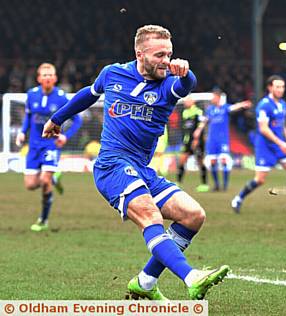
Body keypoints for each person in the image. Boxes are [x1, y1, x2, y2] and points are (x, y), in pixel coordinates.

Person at [42, 25, 229, 300]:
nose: (166, 60)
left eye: (170, 54)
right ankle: (192, 277)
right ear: (139, 54)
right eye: (159, 55)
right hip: (112, 165)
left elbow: (187, 85)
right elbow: (89, 93)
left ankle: (145, 282)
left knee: (193, 215)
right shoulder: (113, 73)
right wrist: (57, 118)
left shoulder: (167, 84)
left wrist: (186, 72)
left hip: (142, 169)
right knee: (150, 215)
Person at [15, 63, 82, 232]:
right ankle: (54, 178)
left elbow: (77, 120)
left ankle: (43, 220)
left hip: (51, 145)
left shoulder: (61, 97)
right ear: (38, 78)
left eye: (50, 75)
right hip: (34, 146)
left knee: (44, 182)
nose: (47, 78)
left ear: (55, 78)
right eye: (44, 75)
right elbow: (29, 116)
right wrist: (23, 132)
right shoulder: (31, 95)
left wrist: (65, 136)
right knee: (30, 185)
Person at [231, 75, 286, 213]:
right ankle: (238, 199)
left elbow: (283, 126)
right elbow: (263, 129)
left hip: (280, 145)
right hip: (265, 146)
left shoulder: (283, 104)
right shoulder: (264, 105)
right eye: (277, 86)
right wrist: (282, 144)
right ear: (270, 87)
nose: (281, 89)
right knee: (260, 180)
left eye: (282, 86)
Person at [195, 88, 251, 192]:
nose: (212, 99)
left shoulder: (225, 108)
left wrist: (243, 104)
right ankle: (217, 185)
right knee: (212, 162)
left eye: (214, 97)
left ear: (219, 97)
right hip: (212, 140)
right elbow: (205, 121)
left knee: (224, 161)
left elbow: (234, 107)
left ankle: (225, 185)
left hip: (222, 139)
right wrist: (198, 131)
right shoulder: (210, 109)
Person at [176, 97, 209, 192]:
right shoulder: (184, 112)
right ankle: (178, 182)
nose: (185, 102)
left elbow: (201, 125)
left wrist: (197, 139)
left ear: (193, 102)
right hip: (187, 141)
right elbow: (185, 130)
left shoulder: (198, 111)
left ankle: (204, 184)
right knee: (182, 160)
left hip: (197, 141)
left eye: (187, 100)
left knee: (200, 161)